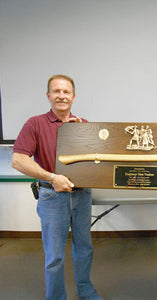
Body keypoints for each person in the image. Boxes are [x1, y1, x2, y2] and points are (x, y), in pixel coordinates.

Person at [12, 74, 102, 300]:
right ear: (48, 95)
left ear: (73, 96)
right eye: (57, 91)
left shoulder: (84, 125)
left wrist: (81, 135)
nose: (62, 96)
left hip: (82, 196)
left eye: (66, 92)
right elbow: (18, 160)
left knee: (84, 249)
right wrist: (53, 177)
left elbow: (96, 161)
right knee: (54, 256)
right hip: (52, 196)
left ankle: (86, 291)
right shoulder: (35, 123)